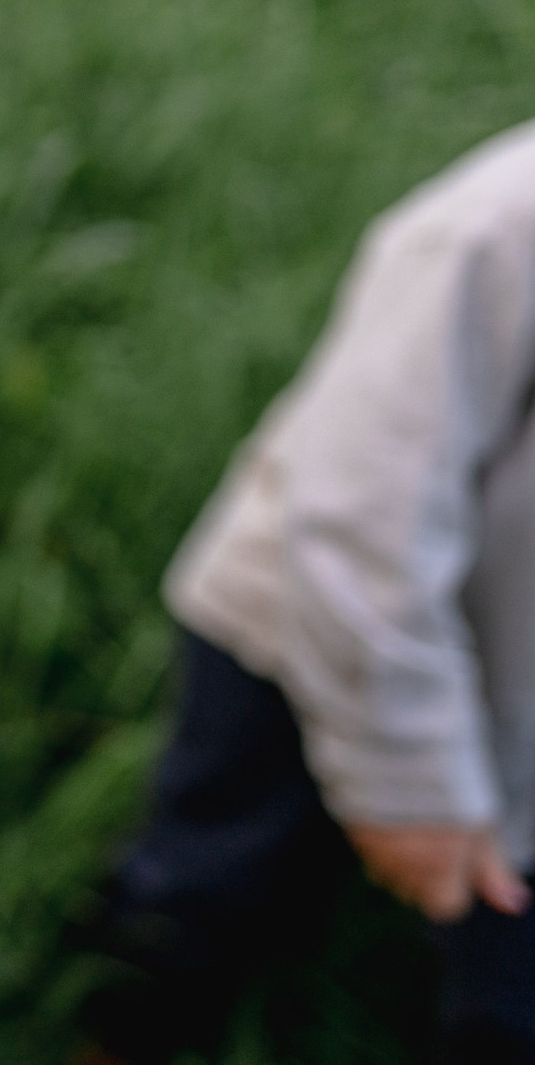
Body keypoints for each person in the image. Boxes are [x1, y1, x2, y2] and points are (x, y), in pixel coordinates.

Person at [80, 122, 535, 1064]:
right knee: (212, 878)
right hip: (321, 640)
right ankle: (141, 1017)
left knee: (508, 1001)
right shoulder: (501, 230)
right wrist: (410, 782)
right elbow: (359, 515)